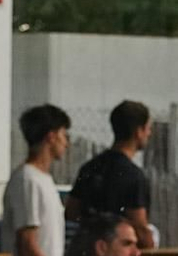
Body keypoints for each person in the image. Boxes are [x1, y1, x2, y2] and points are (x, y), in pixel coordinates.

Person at [67, 100, 156, 247]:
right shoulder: (134, 176)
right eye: (148, 128)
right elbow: (139, 227)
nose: (149, 133)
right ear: (138, 132)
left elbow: (71, 212)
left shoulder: (89, 168)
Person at [0, 104, 71, 256]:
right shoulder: (28, 179)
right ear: (51, 137)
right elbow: (27, 243)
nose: (66, 143)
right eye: (64, 135)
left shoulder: (43, 179)